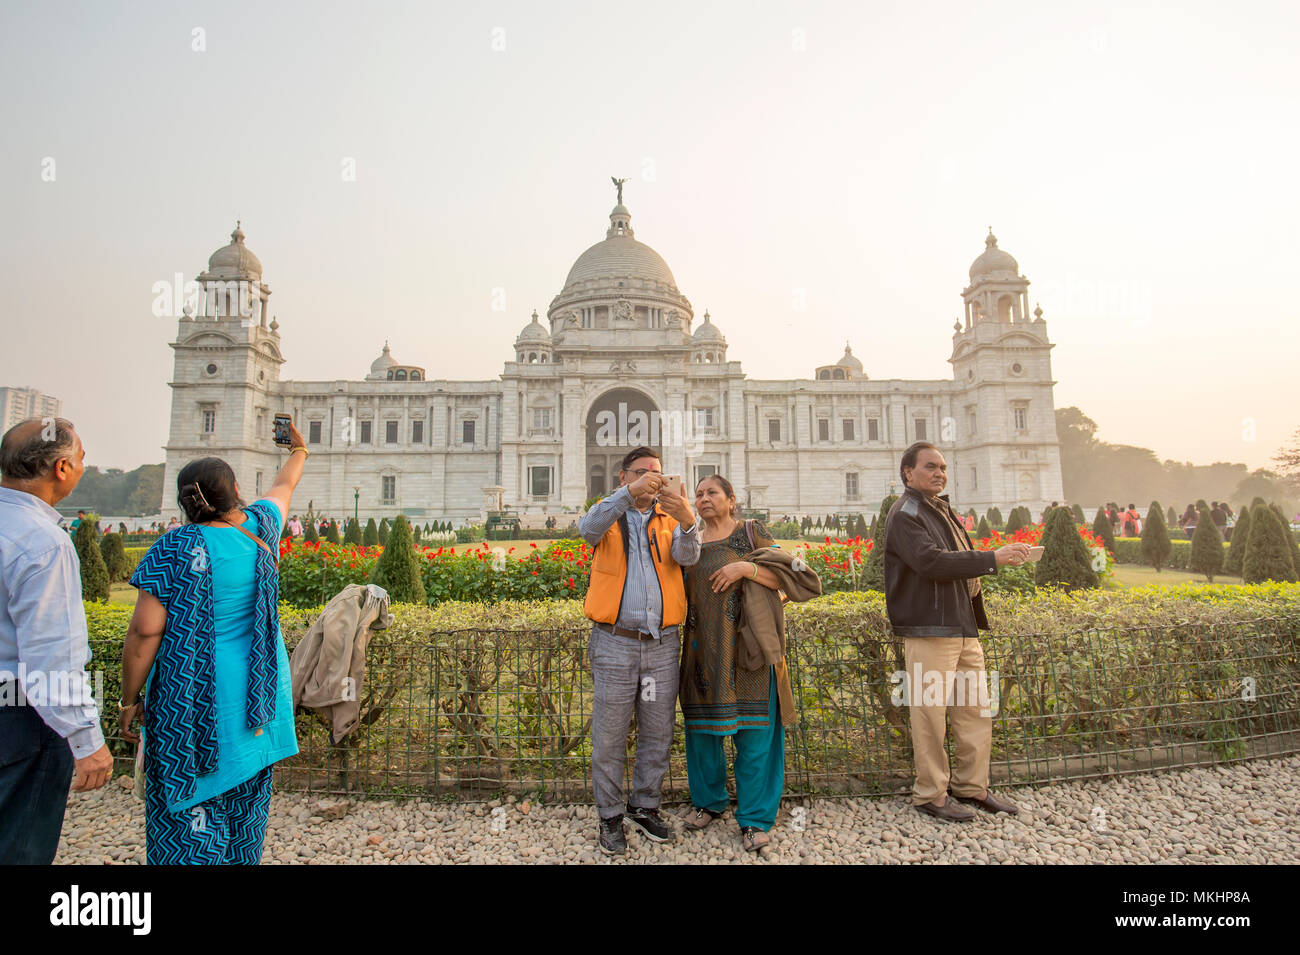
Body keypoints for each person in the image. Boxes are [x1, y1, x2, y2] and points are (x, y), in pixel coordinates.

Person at [118, 422, 309, 864]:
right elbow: (285, 484)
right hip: (259, 700)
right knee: (246, 812)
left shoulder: (174, 547)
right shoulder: (262, 527)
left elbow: (145, 632)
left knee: (189, 821)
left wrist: (129, 699)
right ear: (237, 490)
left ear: (184, 500)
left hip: (192, 705)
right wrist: (298, 448)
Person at [883, 441, 1030, 822]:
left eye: (943, 467)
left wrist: (987, 560)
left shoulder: (940, 509)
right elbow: (930, 562)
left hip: (962, 625)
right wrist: (992, 559)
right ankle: (930, 793)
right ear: (907, 473)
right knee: (930, 715)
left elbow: (955, 561)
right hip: (930, 628)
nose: (939, 473)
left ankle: (971, 787)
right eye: (930, 466)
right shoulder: (906, 513)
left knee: (975, 710)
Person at [678, 475, 821, 852]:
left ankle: (755, 819)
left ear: (731, 499)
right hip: (700, 652)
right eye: (699, 494)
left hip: (748, 650)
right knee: (703, 735)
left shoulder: (751, 532)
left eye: (712, 492)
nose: (704, 499)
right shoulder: (689, 540)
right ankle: (709, 802)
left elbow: (795, 576)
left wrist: (747, 569)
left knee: (756, 737)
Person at [0, 418, 113, 864]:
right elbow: (51, 659)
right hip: (18, 719)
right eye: (82, 457)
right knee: (18, 845)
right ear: (61, 468)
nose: (85, 465)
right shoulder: (44, 543)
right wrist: (86, 740)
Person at [577, 446, 700, 855]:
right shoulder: (609, 513)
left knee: (656, 731)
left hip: (661, 647)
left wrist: (687, 522)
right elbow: (586, 529)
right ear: (623, 476)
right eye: (643, 471)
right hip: (615, 644)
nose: (653, 478)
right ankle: (609, 816)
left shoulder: (669, 519)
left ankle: (644, 806)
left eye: (658, 472)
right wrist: (629, 496)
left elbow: (688, 557)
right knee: (610, 734)